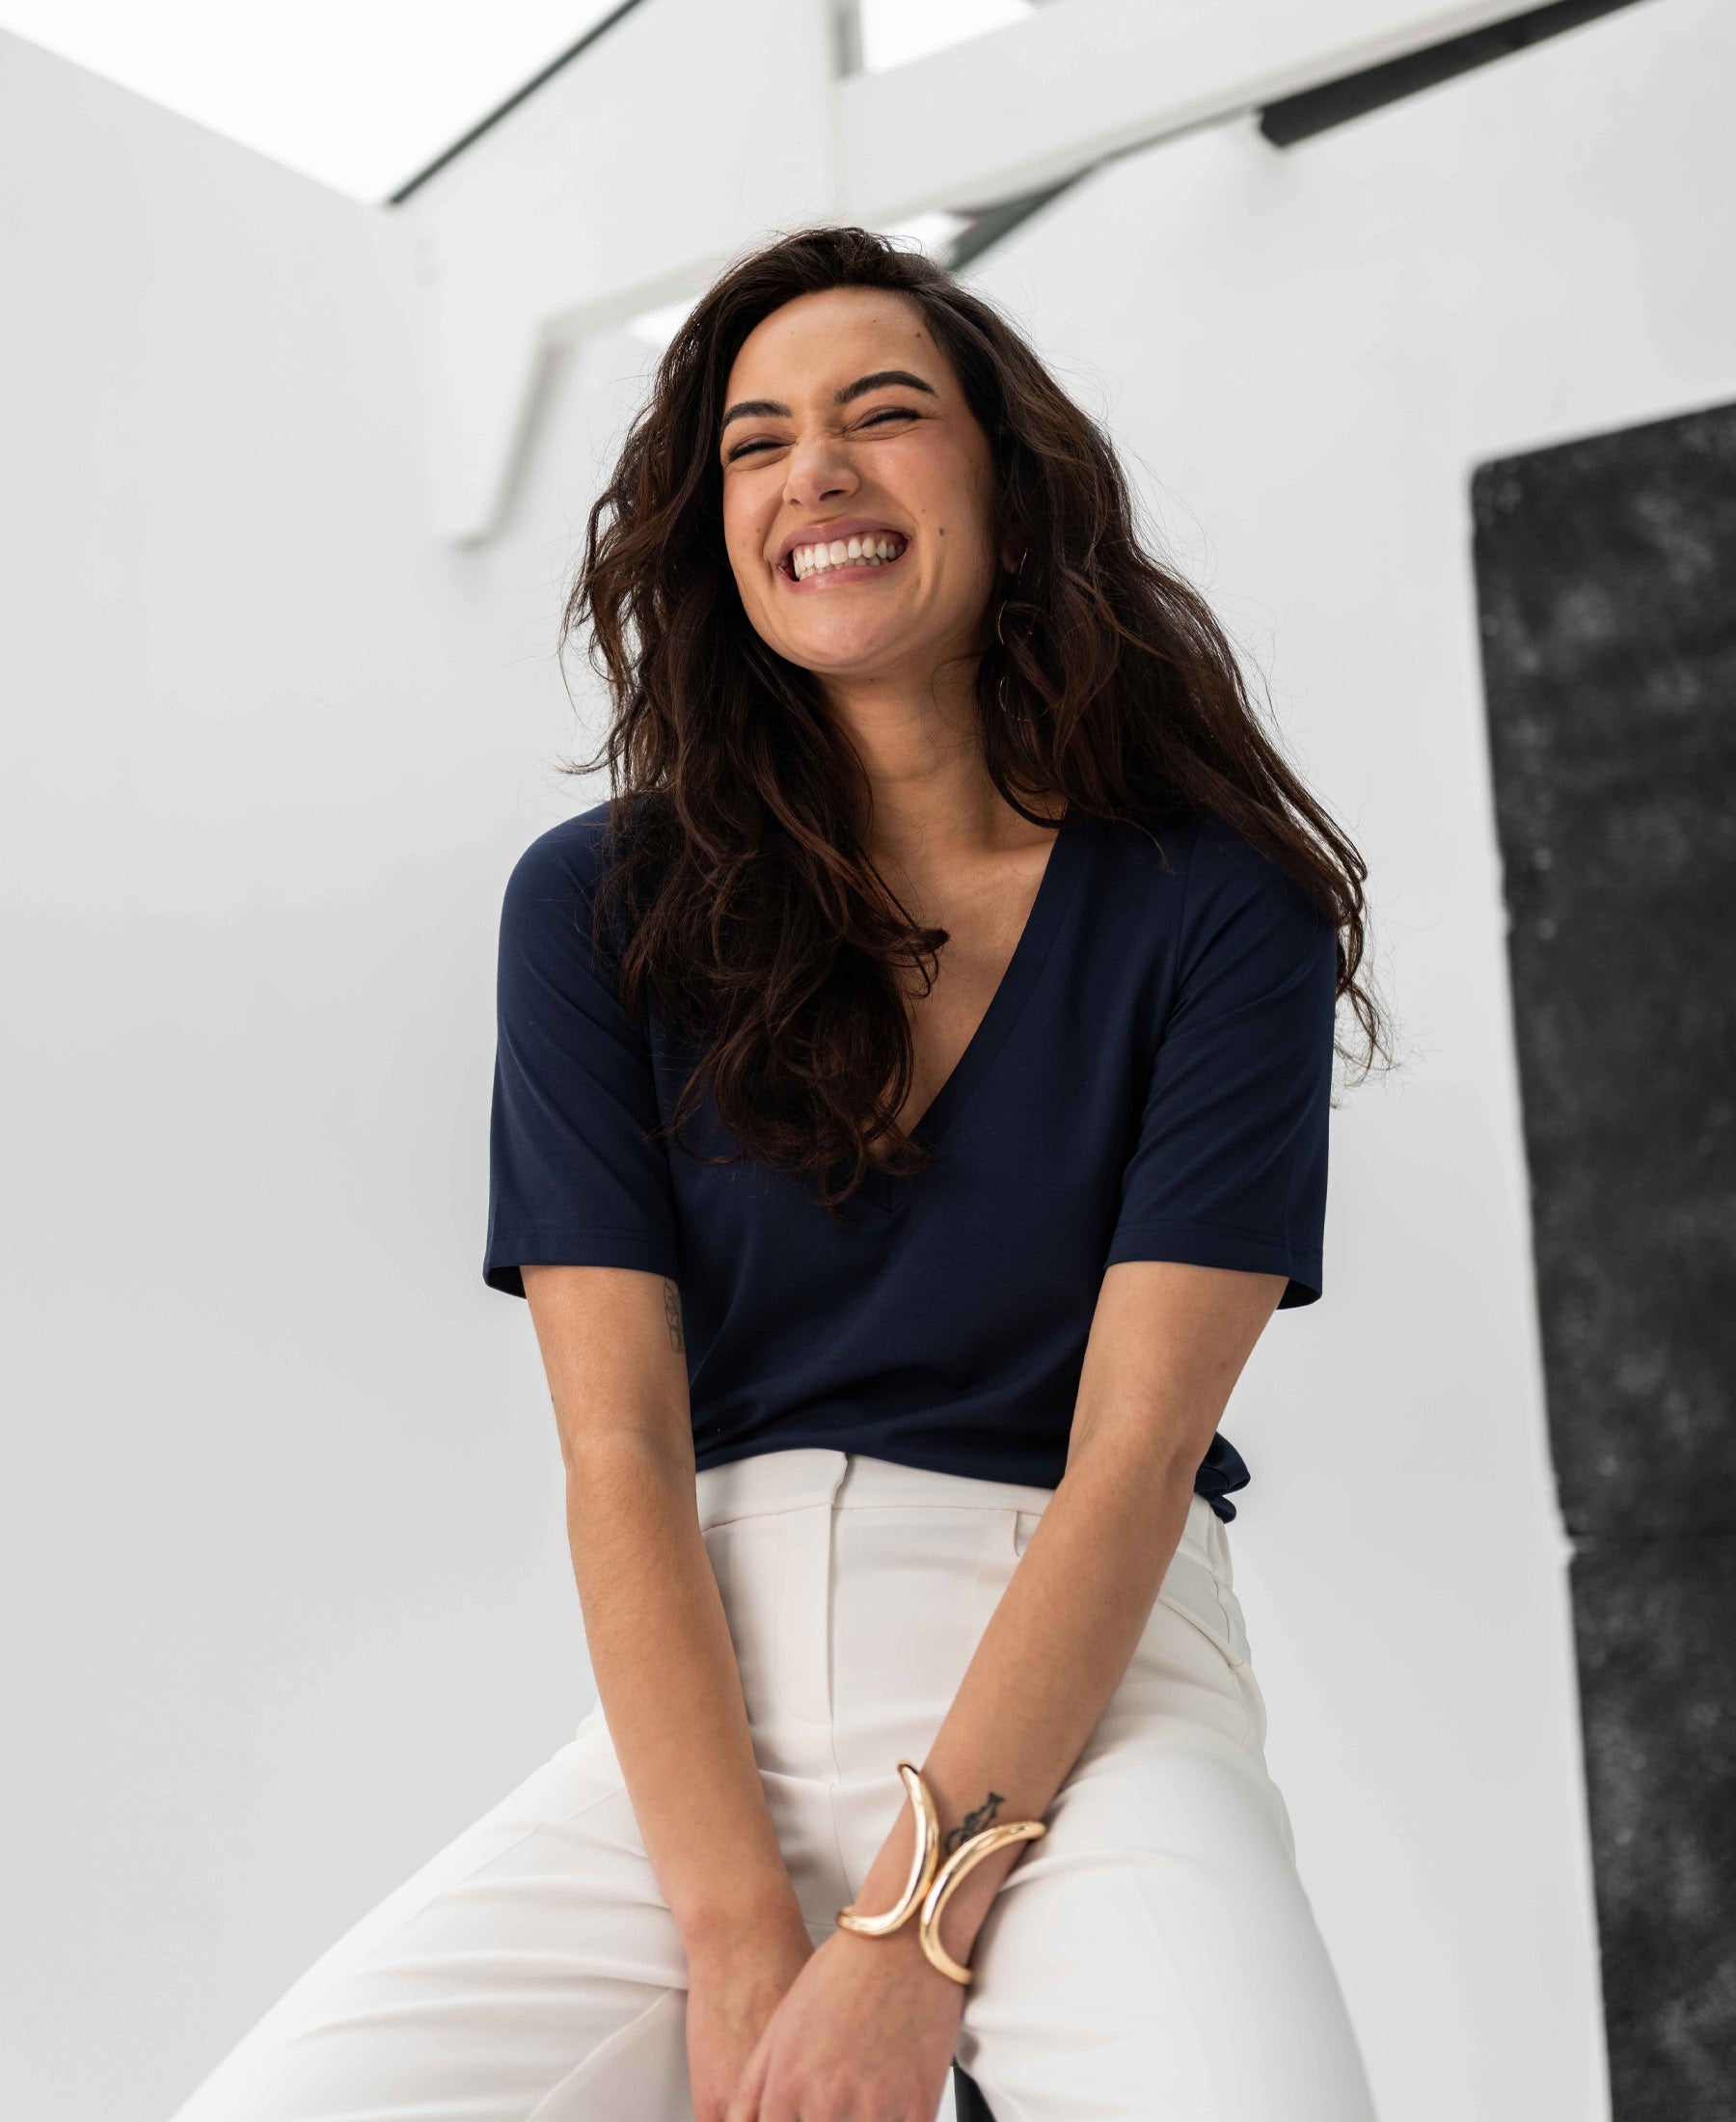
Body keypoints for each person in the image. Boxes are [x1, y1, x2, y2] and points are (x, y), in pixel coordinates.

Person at [171, 224, 1390, 2122]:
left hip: (1086, 1698)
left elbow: (1137, 1456)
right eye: (755, 441)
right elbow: (617, 1454)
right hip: (705, 1717)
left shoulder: (1218, 910)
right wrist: (740, 1939)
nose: (814, 467)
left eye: (880, 414)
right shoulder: (597, 910)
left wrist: (906, 1941)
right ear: (715, 530)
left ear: (1007, 479)